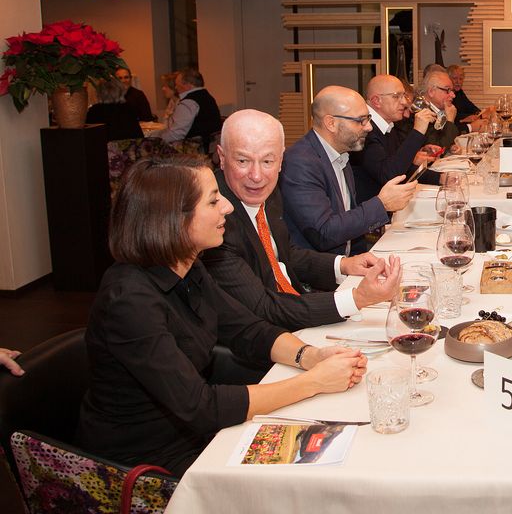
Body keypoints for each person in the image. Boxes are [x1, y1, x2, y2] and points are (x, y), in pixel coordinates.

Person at [76, 156, 368, 476]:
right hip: (146, 462)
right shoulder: (129, 301)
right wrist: (313, 382)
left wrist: (310, 356)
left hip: (196, 434)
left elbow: (246, 329)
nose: (227, 207)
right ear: (174, 218)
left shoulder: (188, 266)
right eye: (213, 201)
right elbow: (201, 406)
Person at [202, 109, 402, 331]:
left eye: (267, 161)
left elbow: (284, 253)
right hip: (264, 335)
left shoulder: (268, 191)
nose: (256, 176)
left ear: (281, 160)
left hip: (294, 310)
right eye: (242, 161)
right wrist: (357, 298)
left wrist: (344, 265)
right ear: (222, 158)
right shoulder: (213, 219)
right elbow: (264, 308)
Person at [280, 86, 417, 255]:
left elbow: (349, 225)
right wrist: (382, 204)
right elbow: (324, 233)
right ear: (331, 123)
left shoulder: (341, 153)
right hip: (321, 268)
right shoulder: (300, 163)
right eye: (360, 121)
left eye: (368, 119)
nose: (369, 127)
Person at [350, 74, 442, 204]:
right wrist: (417, 132)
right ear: (376, 101)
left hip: (385, 208)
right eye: (396, 96)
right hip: (370, 212)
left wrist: (442, 178)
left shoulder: (387, 126)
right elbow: (389, 175)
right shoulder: (364, 130)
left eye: (403, 96)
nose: (404, 102)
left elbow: (404, 168)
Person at [151, 67, 222, 148]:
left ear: (187, 85)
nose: (176, 88)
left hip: (195, 150)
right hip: (209, 146)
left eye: (177, 84)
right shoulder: (206, 96)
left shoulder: (189, 102)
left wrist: (155, 139)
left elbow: (176, 134)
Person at [85, 77, 144, 141]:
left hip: (103, 147)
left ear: (100, 92)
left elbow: (88, 137)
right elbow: (138, 136)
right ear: (120, 91)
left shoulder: (94, 111)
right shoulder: (128, 108)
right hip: (128, 146)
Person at [418, 68, 460, 151]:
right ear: (431, 92)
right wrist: (450, 121)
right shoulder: (421, 113)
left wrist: (451, 147)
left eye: (452, 90)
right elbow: (437, 150)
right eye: (448, 90)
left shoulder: (438, 111)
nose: (453, 95)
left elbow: (442, 139)